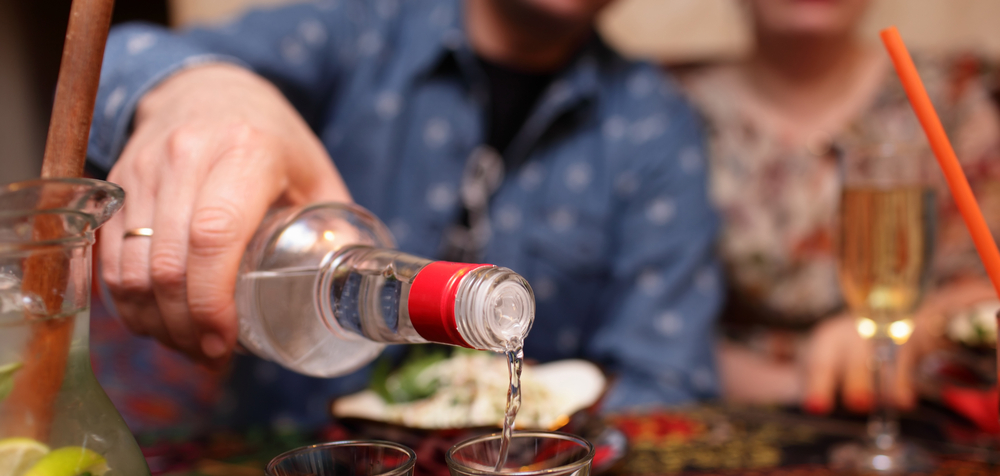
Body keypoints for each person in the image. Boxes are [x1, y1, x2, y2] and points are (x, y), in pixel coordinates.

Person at [87, 0, 723, 429]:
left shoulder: (653, 124)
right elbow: (113, 60)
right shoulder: (362, 29)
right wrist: (198, 89)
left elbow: (665, 381)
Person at [676, 0, 1000, 413]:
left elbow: (986, 283)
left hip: (921, 411)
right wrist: (805, 386)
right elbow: (655, 323)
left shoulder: (948, 98)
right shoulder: (672, 113)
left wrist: (916, 330)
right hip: (744, 412)